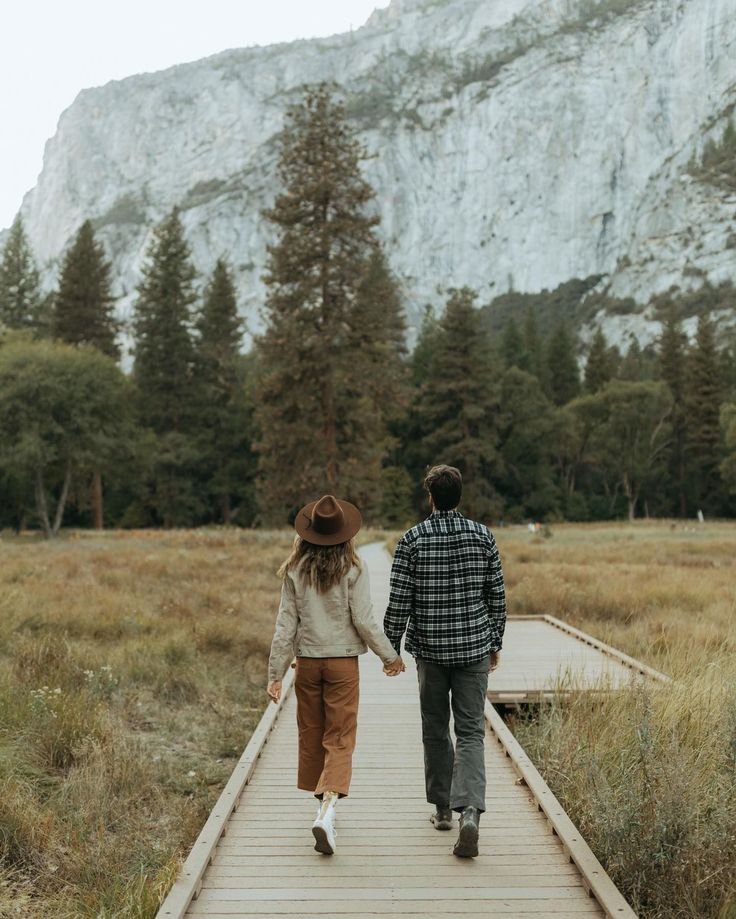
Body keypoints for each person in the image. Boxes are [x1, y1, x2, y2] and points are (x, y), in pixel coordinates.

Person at [266, 494, 404, 855]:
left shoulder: (295, 570)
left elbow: (285, 625)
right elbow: (364, 619)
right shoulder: (355, 569)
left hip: (308, 663)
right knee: (340, 736)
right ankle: (327, 809)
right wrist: (390, 656)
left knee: (312, 733)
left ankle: (321, 807)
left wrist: (275, 673)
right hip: (343, 664)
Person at [383, 464, 506, 858]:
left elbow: (399, 601)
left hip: (431, 653)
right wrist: (495, 642)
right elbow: (496, 597)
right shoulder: (483, 536)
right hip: (473, 649)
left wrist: (391, 649)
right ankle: (469, 810)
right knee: (471, 732)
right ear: (459, 496)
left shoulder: (412, 540)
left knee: (435, 728)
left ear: (430, 497)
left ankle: (441, 811)